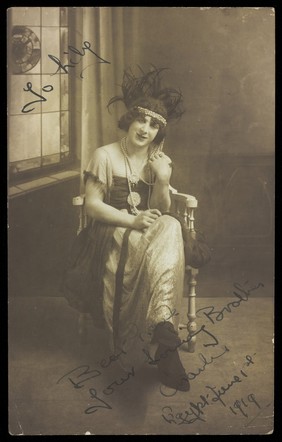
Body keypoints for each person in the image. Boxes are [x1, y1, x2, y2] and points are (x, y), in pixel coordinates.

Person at [67, 67, 190, 392]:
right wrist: (132, 221)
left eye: (154, 125)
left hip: (147, 233)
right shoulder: (105, 155)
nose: (146, 129)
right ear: (129, 119)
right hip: (110, 230)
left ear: (159, 132)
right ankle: (158, 337)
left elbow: (161, 211)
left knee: (170, 224)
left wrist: (162, 178)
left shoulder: (157, 158)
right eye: (142, 120)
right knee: (155, 234)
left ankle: (163, 329)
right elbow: (92, 205)